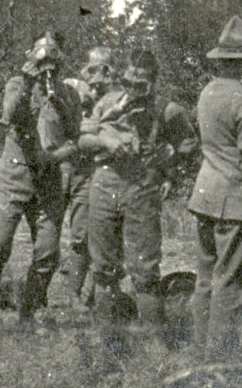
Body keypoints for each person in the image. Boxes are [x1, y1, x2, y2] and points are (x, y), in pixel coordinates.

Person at [0, 31, 81, 335]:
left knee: (47, 251)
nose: (48, 63)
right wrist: (28, 84)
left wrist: (56, 155)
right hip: (14, 174)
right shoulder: (17, 84)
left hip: (48, 179)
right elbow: (8, 115)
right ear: (30, 56)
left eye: (54, 56)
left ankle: (29, 313)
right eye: (40, 55)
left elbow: (75, 138)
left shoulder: (69, 95)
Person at [81, 48, 198, 329]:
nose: (133, 90)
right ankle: (108, 341)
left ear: (153, 82)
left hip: (141, 188)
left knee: (144, 270)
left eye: (140, 85)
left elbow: (190, 144)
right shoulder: (107, 102)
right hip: (105, 183)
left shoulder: (166, 110)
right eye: (128, 83)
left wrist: (168, 165)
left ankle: (154, 343)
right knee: (103, 269)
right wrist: (106, 143)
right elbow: (83, 139)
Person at [188, 16, 242, 360]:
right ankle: (221, 362)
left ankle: (199, 354)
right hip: (234, 199)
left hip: (205, 194)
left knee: (205, 280)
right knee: (230, 284)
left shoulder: (208, 92)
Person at [49, 46, 116, 309]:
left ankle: (74, 293)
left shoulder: (112, 96)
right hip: (62, 166)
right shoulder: (71, 86)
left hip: (87, 170)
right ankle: (37, 292)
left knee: (82, 234)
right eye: (92, 66)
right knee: (48, 230)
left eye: (104, 66)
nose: (96, 72)